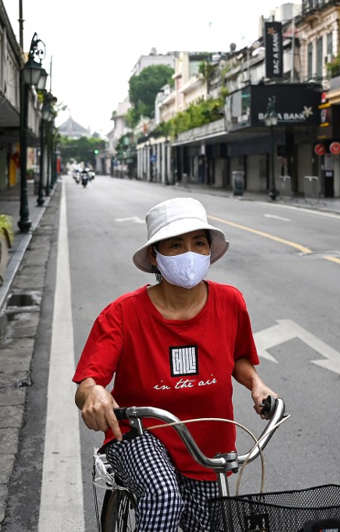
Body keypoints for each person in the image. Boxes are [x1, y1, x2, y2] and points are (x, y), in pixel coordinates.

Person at [73, 197, 276, 531]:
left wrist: (257, 385)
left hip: (208, 443)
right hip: (141, 434)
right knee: (164, 497)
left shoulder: (230, 301)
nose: (190, 254)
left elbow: (238, 357)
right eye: (176, 245)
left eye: (199, 244)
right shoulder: (123, 313)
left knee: (210, 525)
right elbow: (88, 382)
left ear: (210, 251)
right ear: (155, 255)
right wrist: (94, 394)